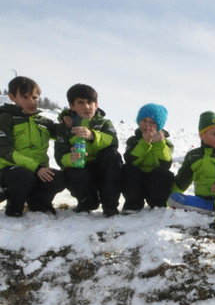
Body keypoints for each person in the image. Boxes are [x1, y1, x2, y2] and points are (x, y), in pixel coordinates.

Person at [0, 76, 66, 217]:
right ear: (12, 97)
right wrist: (36, 167)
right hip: (10, 170)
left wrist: (67, 117)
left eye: (35, 97)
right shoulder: (5, 118)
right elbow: (4, 150)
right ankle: (13, 206)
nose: (31, 102)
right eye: (25, 97)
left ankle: (38, 203)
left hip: (37, 171)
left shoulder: (43, 121)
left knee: (59, 178)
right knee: (23, 175)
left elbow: (63, 133)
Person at [54, 83, 122, 216]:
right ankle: (87, 202)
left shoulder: (104, 123)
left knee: (113, 155)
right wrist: (70, 158)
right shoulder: (65, 126)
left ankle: (110, 205)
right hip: (81, 169)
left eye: (90, 102)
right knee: (72, 171)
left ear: (96, 104)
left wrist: (92, 135)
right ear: (72, 106)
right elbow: (60, 155)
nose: (86, 106)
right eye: (81, 102)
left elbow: (113, 142)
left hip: (101, 169)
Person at [170, 110, 215, 214]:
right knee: (174, 198)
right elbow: (182, 181)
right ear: (202, 135)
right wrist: (167, 198)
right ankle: (211, 207)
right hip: (202, 200)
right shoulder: (193, 156)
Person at [122, 103, 174, 213]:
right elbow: (130, 160)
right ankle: (133, 203)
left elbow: (166, 164)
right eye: (144, 120)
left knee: (164, 173)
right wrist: (145, 143)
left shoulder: (166, 144)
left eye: (152, 122)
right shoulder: (133, 141)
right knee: (127, 169)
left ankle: (158, 203)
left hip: (154, 181)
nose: (147, 125)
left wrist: (159, 144)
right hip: (138, 180)